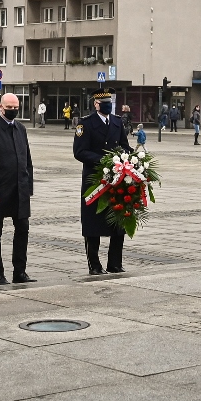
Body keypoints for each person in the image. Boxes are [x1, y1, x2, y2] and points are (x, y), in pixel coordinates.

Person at [73, 89, 132, 274]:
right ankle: (95, 265)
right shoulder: (86, 124)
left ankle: (114, 263)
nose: (107, 105)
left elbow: (124, 144)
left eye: (109, 102)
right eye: (104, 102)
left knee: (118, 221)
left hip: (116, 180)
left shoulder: (117, 121)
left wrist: (129, 156)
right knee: (93, 223)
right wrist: (103, 161)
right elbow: (79, 152)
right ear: (96, 104)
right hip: (95, 180)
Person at [0, 92, 35, 285]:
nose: (13, 111)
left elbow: (27, 159)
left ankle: (20, 271)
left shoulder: (21, 128)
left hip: (20, 187)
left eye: (15, 107)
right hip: (0, 189)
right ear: (0, 107)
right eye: (9, 107)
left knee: (23, 229)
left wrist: (29, 186)